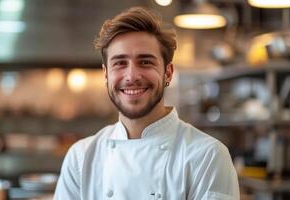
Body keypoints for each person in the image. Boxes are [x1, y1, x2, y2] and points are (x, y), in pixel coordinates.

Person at [54, 6, 239, 200]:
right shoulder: (80, 159)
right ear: (106, 74)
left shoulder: (207, 157)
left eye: (145, 62)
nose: (132, 76)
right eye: (120, 63)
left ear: (168, 72)